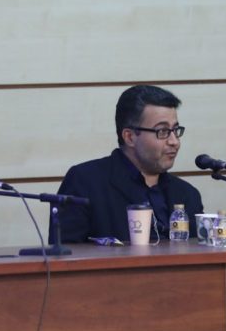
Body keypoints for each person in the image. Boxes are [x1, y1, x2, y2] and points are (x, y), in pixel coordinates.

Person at [52, 84, 203, 243]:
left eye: (175, 130)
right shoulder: (85, 182)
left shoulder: (187, 194)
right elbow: (67, 252)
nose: (174, 142)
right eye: (163, 131)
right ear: (130, 137)